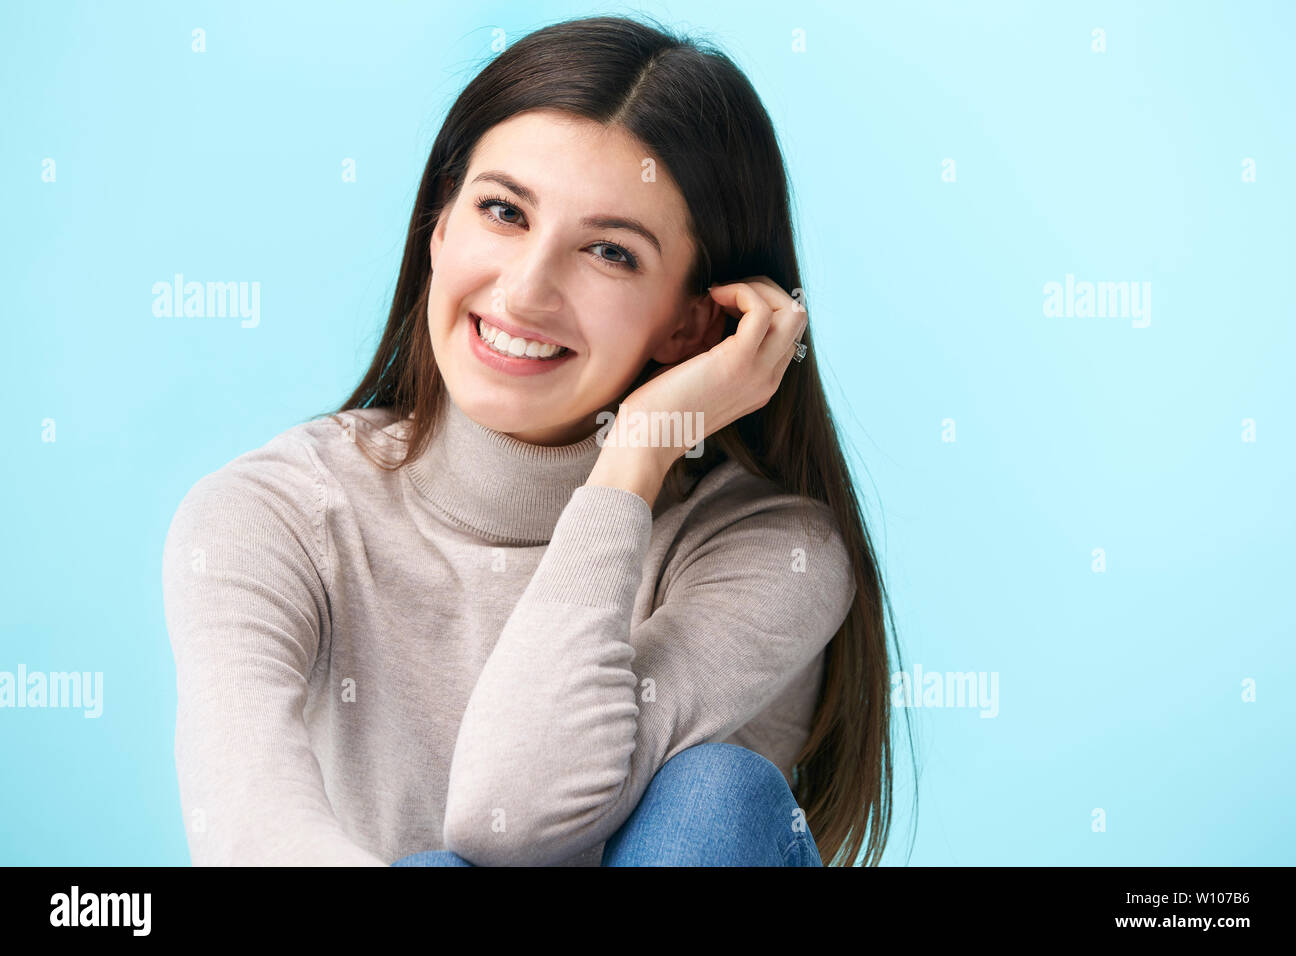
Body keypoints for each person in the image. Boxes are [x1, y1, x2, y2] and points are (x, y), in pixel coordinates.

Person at [162, 13, 914, 867]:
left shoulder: (771, 554)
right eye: (503, 211)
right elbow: (252, 840)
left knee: (718, 797)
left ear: (693, 324)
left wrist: (635, 457)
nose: (524, 293)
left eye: (608, 251)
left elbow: (508, 815)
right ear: (439, 228)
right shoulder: (273, 515)